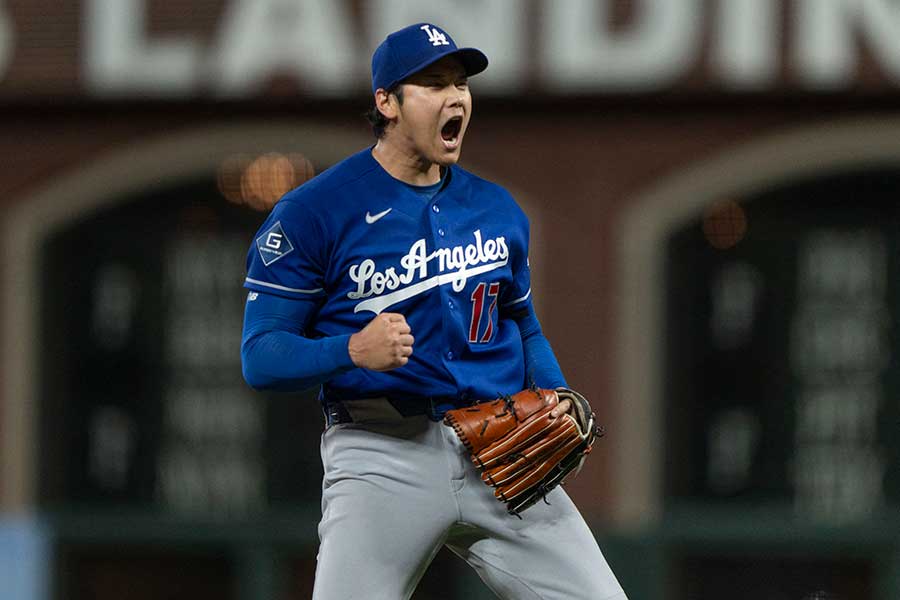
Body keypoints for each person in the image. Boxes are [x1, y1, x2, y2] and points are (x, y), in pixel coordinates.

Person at [241, 22, 627, 600]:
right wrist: (347, 350)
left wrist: (555, 394)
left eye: (461, 84)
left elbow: (521, 323)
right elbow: (260, 355)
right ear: (386, 103)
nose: (456, 97)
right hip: (381, 451)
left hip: (498, 445)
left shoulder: (496, 209)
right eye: (432, 84)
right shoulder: (313, 212)